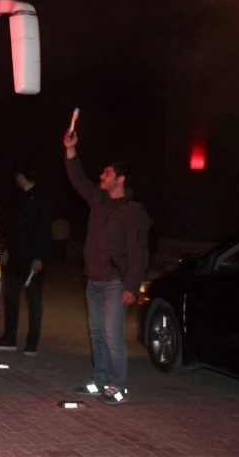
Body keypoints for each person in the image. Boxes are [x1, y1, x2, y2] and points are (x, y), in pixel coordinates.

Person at [63, 129, 148, 406]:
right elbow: (78, 179)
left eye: (107, 173)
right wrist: (71, 150)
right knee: (96, 334)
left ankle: (118, 385)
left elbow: (139, 251)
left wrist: (131, 286)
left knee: (112, 336)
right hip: (93, 281)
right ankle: (99, 380)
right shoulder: (98, 200)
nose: (102, 176)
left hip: (114, 283)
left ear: (120, 179)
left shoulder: (133, 210)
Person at [0, 159, 53, 355]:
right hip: (16, 258)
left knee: (34, 300)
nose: (14, 180)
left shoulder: (42, 199)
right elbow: (13, 229)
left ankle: (32, 343)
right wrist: (6, 250)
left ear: (21, 175)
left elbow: (45, 232)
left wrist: (40, 258)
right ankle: (9, 338)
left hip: (33, 260)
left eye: (16, 176)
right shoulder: (20, 199)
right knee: (10, 297)